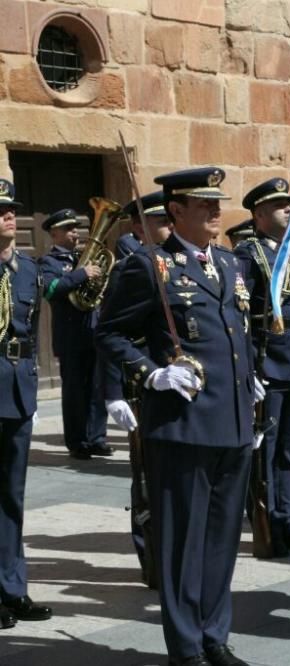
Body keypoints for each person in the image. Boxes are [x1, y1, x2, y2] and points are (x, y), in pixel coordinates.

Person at [96, 167, 262, 666]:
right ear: (176, 211)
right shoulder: (150, 267)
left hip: (232, 423)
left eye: (217, 202)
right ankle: (187, 648)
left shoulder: (232, 265)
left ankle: (216, 636)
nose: (215, 210)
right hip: (184, 424)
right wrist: (151, 375)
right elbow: (109, 333)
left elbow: (236, 333)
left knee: (222, 541)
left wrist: (248, 375)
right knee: (183, 543)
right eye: (202, 204)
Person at [234, 178, 290, 556]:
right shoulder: (248, 254)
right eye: (279, 205)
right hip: (268, 361)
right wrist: (249, 369)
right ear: (258, 214)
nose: (289, 208)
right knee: (265, 451)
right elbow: (241, 315)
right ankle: (267, 523)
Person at [102, 191, 174, 588]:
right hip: (141, 385)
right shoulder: (131, 268)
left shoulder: (188, 266)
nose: (166, 226)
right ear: (139, 226)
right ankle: (151, 561)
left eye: (169, 218)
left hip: (180, 387)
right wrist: (112, 392)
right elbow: (109, 334)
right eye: (159, 220)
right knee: (146, 479)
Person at [0, 178, 53, 627]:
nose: (9, 216)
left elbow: (30, 330)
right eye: (0, 211)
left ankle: (13, 589)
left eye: (11, 209)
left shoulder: (28, 270)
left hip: (17, 389)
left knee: (12, 498)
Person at [39, 208, 110, 460]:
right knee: (74, 392)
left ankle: (97, 438)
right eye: (68, 229)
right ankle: (77, 441)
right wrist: (82, 274)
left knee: (97, 389)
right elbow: (50, 289)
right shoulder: (48, 262)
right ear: (54, 233)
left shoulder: (85, 257)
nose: (76, 232)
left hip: (93, 331)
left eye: (76, 227)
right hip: (70, 337)